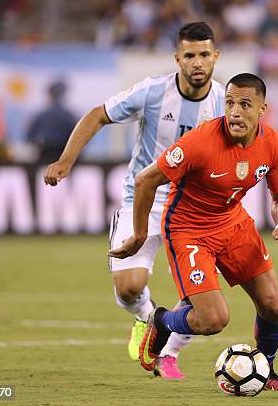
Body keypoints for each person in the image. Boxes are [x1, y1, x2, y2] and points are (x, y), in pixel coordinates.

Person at [43, 22, 224, 379]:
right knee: (128, 287)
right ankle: (146, 317)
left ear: (215, 56)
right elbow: (98, 115)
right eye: (190, 55)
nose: (198, 62)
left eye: (205, 54)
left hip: (192, 210)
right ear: (178, 59)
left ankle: (167, 353)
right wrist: (66, 160)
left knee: (199, 295)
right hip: (143, 200)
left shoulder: (223, 101)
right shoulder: (153, 91)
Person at [109, 73, 278, 392]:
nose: (235, 112)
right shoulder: (200, 142)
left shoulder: (275, 145)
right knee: (213, 320)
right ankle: (162, 322)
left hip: (233, 223)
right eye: (229, 103)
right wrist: (140, 235)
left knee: (272, 305)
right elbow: (145, 180)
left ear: (262, 109)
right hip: (188, 230)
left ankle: (265, 370)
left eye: (244, 104)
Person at [27, 80, 77, 162]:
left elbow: (30, 135)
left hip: (49, 154)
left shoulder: (42, 115)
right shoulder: (68, 116)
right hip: (56, 155)